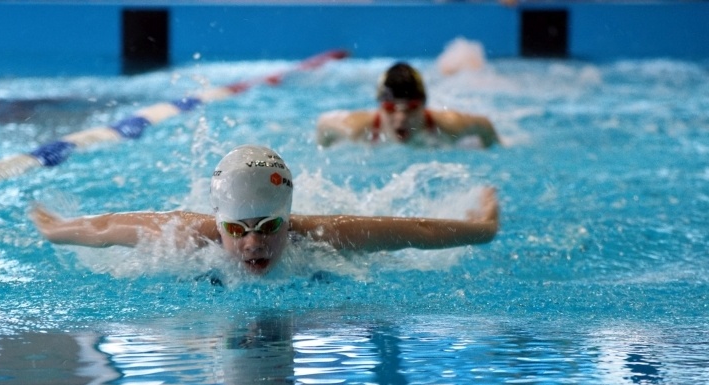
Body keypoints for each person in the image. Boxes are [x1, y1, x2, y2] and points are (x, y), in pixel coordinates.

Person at [31, 144, 499, 276]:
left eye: (269, 226)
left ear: (288, 219)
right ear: (220, 224)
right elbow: (110, 227)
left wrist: (482, 230)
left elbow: (414, 231)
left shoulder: (322, 237)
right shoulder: (189, 236)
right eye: (237, 229)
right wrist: (57, 231)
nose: (254, 243)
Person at [316, 62, 499, 147]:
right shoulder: (358, 128)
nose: (401, 118)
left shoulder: (449, 125)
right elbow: (323, 123)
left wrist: (491, 149)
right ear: (380, 106)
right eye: (390, 109)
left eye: (411, 108)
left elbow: (485, 125)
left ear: (424, 105)